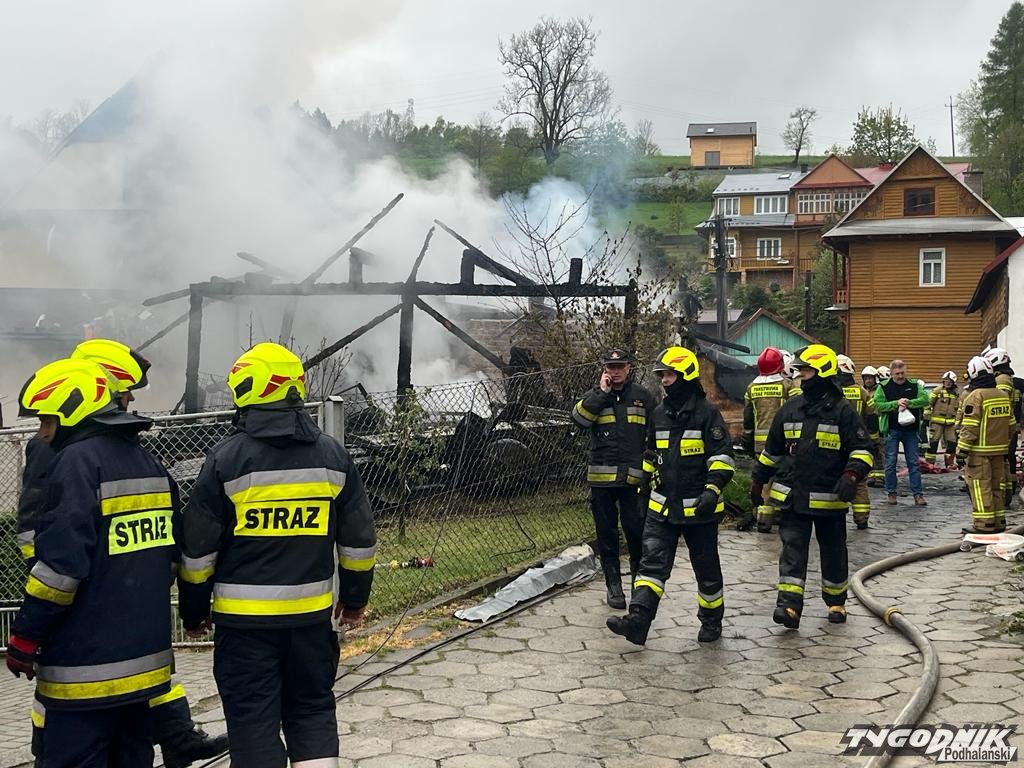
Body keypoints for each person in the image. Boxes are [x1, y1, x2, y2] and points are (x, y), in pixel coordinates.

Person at [14, 340, 227, 768]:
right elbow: (168, 555)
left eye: (45, 421)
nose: (126, 400)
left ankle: (175, 734)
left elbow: (62, 567)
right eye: (122, 390)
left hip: (81, 658)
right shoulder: (146, 463)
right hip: (139, 658)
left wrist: (27, 632)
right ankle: (176, 735)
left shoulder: (78, 460)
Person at [178, 342, 377, 768]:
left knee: (253, 723)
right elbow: (359, 541)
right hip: (311, 625)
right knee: (312, 711)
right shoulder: (332, 456)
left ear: (248, 391)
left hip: (244, 630)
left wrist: (194, 613)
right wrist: (355, 600)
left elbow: (197, 552)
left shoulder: (226, 460)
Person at [606, 346, 734, 645]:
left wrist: (712, 490)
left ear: (686, 376)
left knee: (706, 569)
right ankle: (638, 620)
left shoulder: (707, 414)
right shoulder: (660, 414)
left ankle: (711, 621)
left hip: (699, 509)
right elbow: (652, 453)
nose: (664, 380)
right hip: (662, 508)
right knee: (651, 565)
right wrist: (642, 485)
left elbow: (722, 457)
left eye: (670, 375)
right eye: (662, 375)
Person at [751, 344, 874, 629]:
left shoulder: (843, 411)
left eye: (806, 371)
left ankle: (836, 602)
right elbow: (772, 452)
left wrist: (851, 475)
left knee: (833, 551)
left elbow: (863, 449)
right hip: (793, 498)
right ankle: (789, 607)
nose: (800, 376)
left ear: (822, 372)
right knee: (792, 551)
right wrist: (758, 480)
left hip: (829, 498)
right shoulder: (790, 409)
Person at [571, 348, 657, 608]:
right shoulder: (594, 396)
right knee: (607, 536)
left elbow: (656, 432)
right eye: (611, 367)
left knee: (636, 534)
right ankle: (614, 587)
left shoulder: (643, 397)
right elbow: (578, 420)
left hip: (633, 481)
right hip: (602, 483)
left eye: (620, 367)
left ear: (629, 367)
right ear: (605, 369)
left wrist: (651, 465)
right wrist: (601, 393)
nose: (616, 371)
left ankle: (639, 586)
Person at [958, 355, 1016, 533]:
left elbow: (970, 427)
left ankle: (984, 524)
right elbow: (1012, 425)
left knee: (980, 487)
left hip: (979, 452)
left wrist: (962, 451)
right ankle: (999, 522)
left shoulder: (976, 396)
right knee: (996, 487)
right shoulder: (1002, 395)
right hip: (999, 452)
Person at [742, 347, 794, 533]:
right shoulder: (787, 386)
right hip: (784, 442)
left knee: (764, 480)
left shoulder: (751, 387)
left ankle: (763, 520)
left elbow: (748, 417)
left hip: (760, 444)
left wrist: (747, 437)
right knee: (782, 478)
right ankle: (779, 513)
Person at [874, 359, 929, 506]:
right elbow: (878, 405)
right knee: (890, 462)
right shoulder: (883, 387)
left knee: (913, 463)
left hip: (911, 431)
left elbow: (925, 400)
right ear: (891, 373)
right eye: (897, 373)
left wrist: (909, 403)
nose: (900, 376)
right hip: (892, 430)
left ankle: (918, 495)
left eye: (902, 373)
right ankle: (891, 493)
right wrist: (895, 404)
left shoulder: (914, 385)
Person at [836, 355, 879, 530]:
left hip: (835, 443)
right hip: (858, 443)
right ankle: (862, 518)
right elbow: (872, 417)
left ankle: (834, 515)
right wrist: (873, 441)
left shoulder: (833, 392)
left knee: (835, 478)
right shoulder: (862, 392)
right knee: (859, 481)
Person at [983, 347, 1023, 506]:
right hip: (1005, 425)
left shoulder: (1001, 379)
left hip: (1002, 426)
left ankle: (1005, 492)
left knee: (1003, 459)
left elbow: (1000, 402)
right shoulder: (1004, 378)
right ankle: (1006, 490)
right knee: (1006, 457)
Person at [925, 371, 960, 469]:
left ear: (953, 382)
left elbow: (960, 408)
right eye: (945, 381)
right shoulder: (937, 391)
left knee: (952, 443)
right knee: (933, 443)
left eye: (949, 381)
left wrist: (958, 422)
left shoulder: (957, 394)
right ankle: (929, 464)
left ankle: (949, 464)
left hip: (951, 423)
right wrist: (926, 417)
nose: (947, 383)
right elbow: (928, 403)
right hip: (936, 422)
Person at [861, 366, 886, 488]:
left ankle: (880, 478)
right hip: (865, 426)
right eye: (866, 378)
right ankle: (871, 476)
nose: (868, 380)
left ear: (875, 378)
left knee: (878, 451)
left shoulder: (880, 390)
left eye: (870, 378)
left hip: (878, 425)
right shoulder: (861, 391)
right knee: (867, 452)